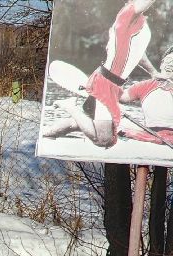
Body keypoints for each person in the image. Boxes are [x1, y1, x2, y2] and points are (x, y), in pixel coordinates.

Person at [42, 0, 158, 148]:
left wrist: (154, 72)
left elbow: (138, 55)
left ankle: (49, 133)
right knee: (103, 139)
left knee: (88, 122)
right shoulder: (128, 13)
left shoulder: (140, 24)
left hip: (109, 84)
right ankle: (69, 106)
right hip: (105, 83)